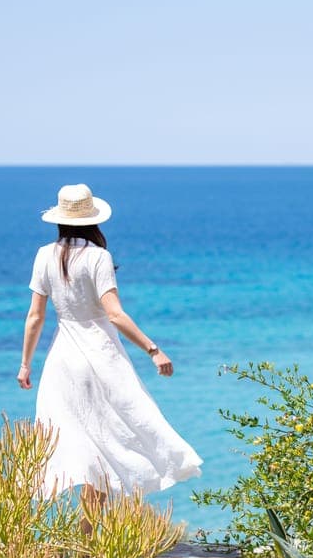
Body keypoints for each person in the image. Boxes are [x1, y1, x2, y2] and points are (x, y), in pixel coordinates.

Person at [17, 183, 202, 524]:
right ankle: (90, 535)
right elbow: (114, 314)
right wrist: (153, 350)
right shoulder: (97, 257)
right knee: (114, 437)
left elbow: (35, 316)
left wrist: (26, 364)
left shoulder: (44, 254)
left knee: (83, 448)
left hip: (62, 361)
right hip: (100, 358)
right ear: (93, 220)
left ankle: (85, 536)